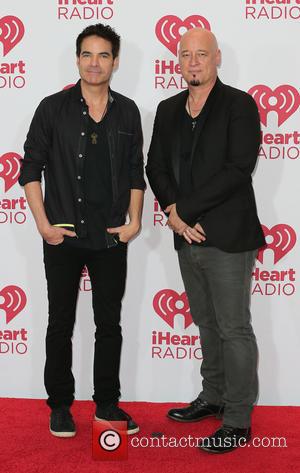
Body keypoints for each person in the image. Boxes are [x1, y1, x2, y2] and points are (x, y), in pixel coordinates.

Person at [19, 23, 145, 438]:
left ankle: (107, 403)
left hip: (110, 237)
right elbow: (30, 169)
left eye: (104, 55)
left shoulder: (127, 110)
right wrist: (43, 225)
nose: (95, 63)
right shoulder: (51, 108)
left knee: (109, 325)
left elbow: (134, 172)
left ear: (115, 61)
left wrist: (135, 223)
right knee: (60, 323)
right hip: (63, 236)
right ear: (77, 59)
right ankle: (60, 406)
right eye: (87, 54)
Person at [146, 27, 265, 453]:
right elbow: (155, 166)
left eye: (201, 54)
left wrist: (185, 211)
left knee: (234, 328)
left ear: (217, 58)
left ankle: (237, 417)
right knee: (206, 322)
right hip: (185, 236)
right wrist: (174, 215)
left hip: (228, 236)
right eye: (185, 55)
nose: (193, 62)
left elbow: (237, 169)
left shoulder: (239, 105)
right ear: (177, 62)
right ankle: (213, 395)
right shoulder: (167, 109)